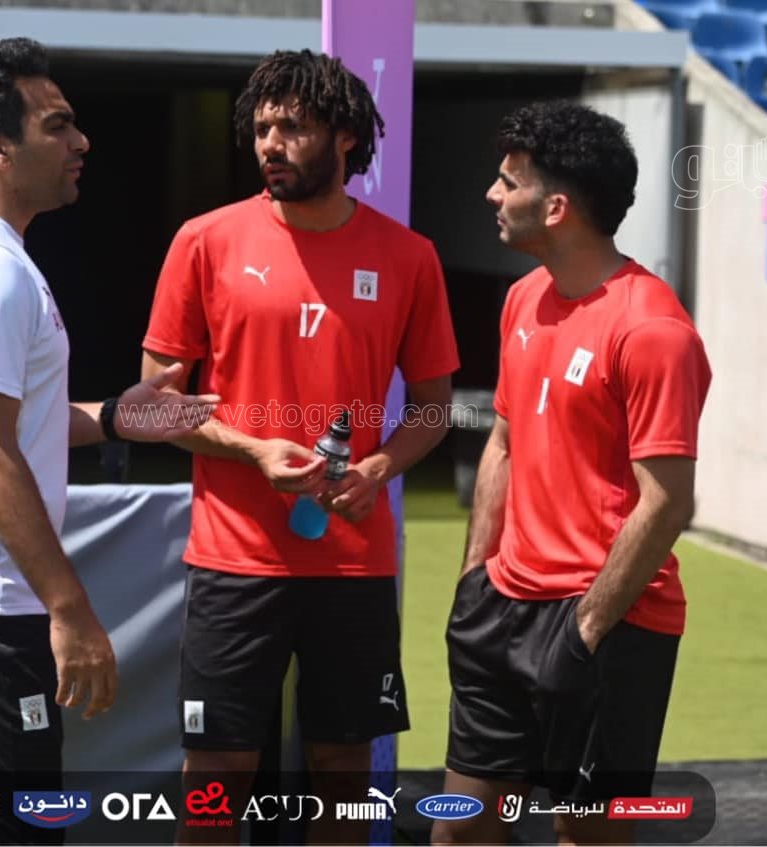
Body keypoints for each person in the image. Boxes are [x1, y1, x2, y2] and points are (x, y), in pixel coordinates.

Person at [0, 38, 217, 845]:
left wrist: (117, 416)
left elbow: (1, 423)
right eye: (57, 126)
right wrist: (71, 609)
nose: (81, 142)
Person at [141, 49, 460, 844]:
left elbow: (432, 408)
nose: (270, 144)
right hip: (233, 560)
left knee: (343, 774)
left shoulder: (410, 257)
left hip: (353, 564)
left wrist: (379, 467)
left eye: (291, 127)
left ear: (346, 136)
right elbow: (155, 406)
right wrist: (253, 450)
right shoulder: (204, 241)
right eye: (261, 129)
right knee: (215, 776)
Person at [432, 101, 712, 846]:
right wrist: (474, 579)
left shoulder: (654, 331)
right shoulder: (522, 298)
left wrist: (585, 630)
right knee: (459, 830)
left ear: (556, 208)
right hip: (502, 607)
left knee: (585, 836)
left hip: (609, 622)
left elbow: (667, 502)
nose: (492, 194)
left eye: (508, 181)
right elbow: (503, 442)